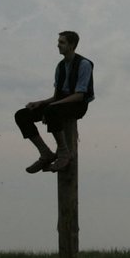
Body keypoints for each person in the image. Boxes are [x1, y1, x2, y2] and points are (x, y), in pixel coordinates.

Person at [15, 31, 95, 173]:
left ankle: (64, 153)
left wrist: (52, 105)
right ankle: (45, 153)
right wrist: (41, 102)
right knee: (22, 115)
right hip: (59, 104)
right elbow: (56, 96)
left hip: (78, 105)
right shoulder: (60, 66)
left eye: (62, 42)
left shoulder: (84, 64)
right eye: (59, 42)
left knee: (51, 110)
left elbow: (80, 96)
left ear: (72, 45)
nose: (58, 45)